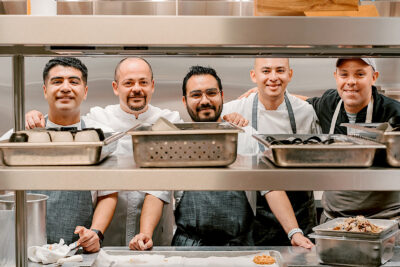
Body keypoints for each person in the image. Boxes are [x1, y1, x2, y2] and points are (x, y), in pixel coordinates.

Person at [129, 65, 314, 250]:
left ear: (222, 96)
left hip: (240, 248)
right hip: (188, 248)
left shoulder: (245, 134)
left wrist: (294, 232)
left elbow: (271, 187)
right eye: (196, 95)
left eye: (211, 93)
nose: (205, 101)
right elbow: (156, 193)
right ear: (184, 101)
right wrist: (145, 233)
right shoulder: (175, 140)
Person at [23, 57, 180, 247]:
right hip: (108, 234)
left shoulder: (169, 120)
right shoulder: (99, 121)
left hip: (151, 230)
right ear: (115, 87)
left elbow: (158, 184)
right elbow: (62, 118)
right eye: (128, 82)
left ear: (152, 85)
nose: (136, 89)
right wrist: (36, 116)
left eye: (143, 82)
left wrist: (144, 232)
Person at [1, 57, 118, 252]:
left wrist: (95, 233)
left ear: (85, 91)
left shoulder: (101, 139)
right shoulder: (18, 136)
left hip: (78, 250)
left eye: (74, 81)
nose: (65, 88)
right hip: (23, 249)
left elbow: (108, 194)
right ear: (45, 90)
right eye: (57, 81)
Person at [222, 58, 319, 246]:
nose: (273, 78)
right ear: (254, 75)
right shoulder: (235, 108)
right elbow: (207, 117)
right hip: (256, 209)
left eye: (280, 71)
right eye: (266, 71)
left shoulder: (305, 111)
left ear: (290, 75)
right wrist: (224, 117)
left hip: (301, 207)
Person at [305, 58, 400, 222]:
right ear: (336, 76)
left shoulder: (393, 111)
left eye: (360, 74)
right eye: (344, 74)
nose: (351, 82)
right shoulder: (328, 103)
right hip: (334, 219)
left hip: (385, 220)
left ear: (374, 77)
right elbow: (300, 103)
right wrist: (261, 92)